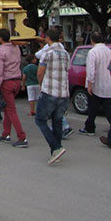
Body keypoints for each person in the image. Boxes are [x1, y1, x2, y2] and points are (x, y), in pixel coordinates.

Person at [35, 28, 70, 164]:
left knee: (40, 120)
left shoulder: (47, 53)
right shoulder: (66, 53)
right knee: (57, 121)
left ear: (48, 38)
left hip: (49, 91)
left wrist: (41, 83)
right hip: (63, 92)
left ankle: (56, 147)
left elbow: (40, 72)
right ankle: (55, 152)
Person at [0, 28, 28, 148]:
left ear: (0, 38)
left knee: (11, 110)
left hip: (6, 82)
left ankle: (22, 136)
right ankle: (6, 133)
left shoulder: (1, 51)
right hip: (16, 80)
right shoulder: (16, 48)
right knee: (8, 109)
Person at [79, 31, 111, 136]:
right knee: (109, 108)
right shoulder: (110, 51)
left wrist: (90, 82)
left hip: (97, 83)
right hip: (109, 82)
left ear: (92, 40)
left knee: (93, 108)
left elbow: (91, 69)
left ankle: (90, 128)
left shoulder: (93, 52)